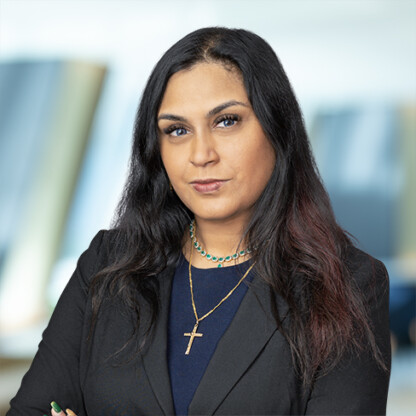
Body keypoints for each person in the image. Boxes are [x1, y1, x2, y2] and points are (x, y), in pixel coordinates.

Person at [7, 27, 391, 416]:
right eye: (177, 130)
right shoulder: (107, 265)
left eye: (226, 121)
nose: (201, 154)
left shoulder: (348, 284)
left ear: (277, 128)